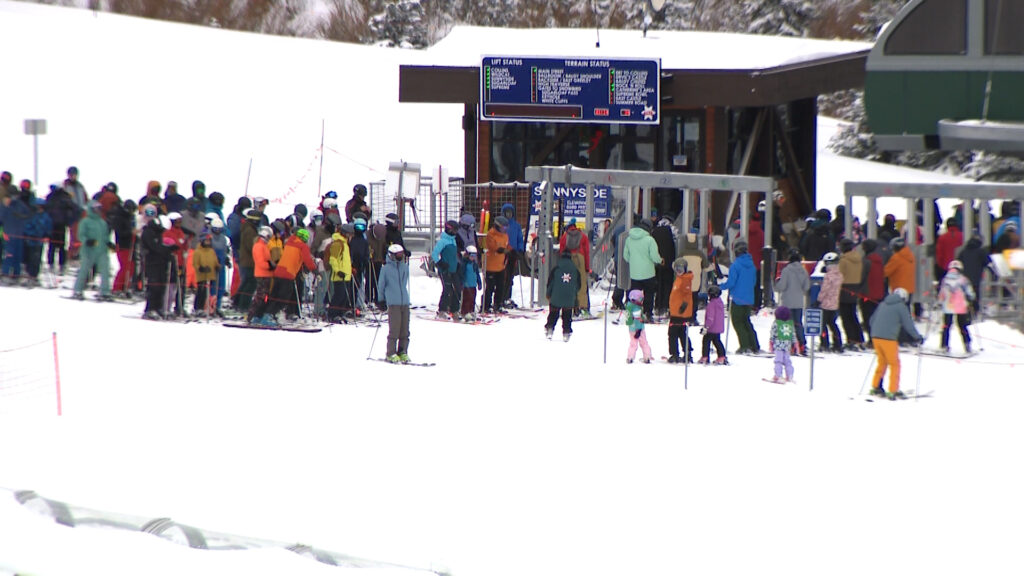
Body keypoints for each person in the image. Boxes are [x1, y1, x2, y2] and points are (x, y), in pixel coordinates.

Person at [868, 287, 924, 400]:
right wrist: (917, 337)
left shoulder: (883, 304)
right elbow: (908, 324)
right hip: (889, 339)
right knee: (894, 364)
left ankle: (875, 386)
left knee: (882, 362)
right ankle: (893, 390)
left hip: (875, 337)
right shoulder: (901, 307)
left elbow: (871, 320)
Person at [718, 240, 761, 354]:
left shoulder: (736, 265)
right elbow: (753, 281)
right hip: (749, 298)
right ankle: (754, 345)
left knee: (738, 322)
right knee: (746, 321)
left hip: (737, 298)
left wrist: (720, 286)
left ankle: (744, 345)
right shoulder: (752, 265)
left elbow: (731, 283)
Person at [378, 243, 412, 363]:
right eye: (397, 255)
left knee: (405, 330)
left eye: (401, 254)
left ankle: (402, 351)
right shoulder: (386, 269)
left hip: (404, 302)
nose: (400, 256)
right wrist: (381, 299)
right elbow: (381, 285)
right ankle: (390, 353)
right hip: (393, 303)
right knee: (394, 329)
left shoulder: (404, 267)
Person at [623, 219, 662, 322]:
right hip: (648, 272)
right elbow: (655, 257)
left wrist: (634, 262)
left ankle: (633, 314)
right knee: (649, 293)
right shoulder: (650, 240)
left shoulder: (629, 239)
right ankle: (647, 313)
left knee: (635, 294)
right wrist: (660, 260)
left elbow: (625, 256)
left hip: (634, 273)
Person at [774, 248, 810, 355]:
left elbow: (782, 286)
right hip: (799, 302)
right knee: (798, 324)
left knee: (786, 324)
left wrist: (777, 283)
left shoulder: (786, 270)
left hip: (787, 302)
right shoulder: (803, 271)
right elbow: (806, 286)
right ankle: (802, 344)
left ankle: (788, 345)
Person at [140, 213, 176, 319]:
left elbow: (160, 246)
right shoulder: (149, 232)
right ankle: (150, 309)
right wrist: (167, 250)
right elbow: (154, 247)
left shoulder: (158, 232)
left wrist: (169, 252)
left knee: (161, 286)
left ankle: (158, 307)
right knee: (154, 286)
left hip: (160, 263)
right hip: (152, 263)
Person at [884, 237, 918, 345]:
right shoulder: (910, 256)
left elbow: (885, 272)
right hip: (909, 289)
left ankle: (903, 338)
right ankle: (911, 336)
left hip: (899, 290)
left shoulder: (897, 258)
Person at [937, 260, 975, 354]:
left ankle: (944, 345)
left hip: (947, 306)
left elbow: (941, 293)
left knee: (946, 326)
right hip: (960, 306)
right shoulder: (963, 279)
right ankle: (967, 345)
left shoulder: (945, 279)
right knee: (962, 326)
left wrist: (940, 302)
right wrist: (971, 298)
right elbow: (969, 292)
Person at [545, 247, 581, 341]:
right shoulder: (575, 270)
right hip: (569, 297)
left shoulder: (556, 268)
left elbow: (550, 283)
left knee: (553, 313)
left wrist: (548, 294)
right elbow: (578, 285)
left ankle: (549, 329)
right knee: (567, 315)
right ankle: (566, 332)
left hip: (556, 297)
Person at [558, 218, 591, 316]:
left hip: (568, 261)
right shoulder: (583, 236)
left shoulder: (564, 237)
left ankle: (570, 308)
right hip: (580, 259)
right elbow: (586, 253)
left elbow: (561, 252)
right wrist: (587, 267)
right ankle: (583, 308)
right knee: (581, 285)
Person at [837, 237, 865, 350]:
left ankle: (851, 339)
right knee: (853, 315)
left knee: (845, 317)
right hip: (855, 289)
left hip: (844, 289)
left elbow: (839, 276)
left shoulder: (843, 261)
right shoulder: (859, 259)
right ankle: (859, 338)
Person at [45, 183, 78, 276]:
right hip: (54, 224)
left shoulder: (62, 197)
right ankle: (54, 264)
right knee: (54, 246)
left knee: (58, 246)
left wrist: (70, 220)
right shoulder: (54, 196)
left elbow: (75, 209)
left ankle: (59, 265)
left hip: (59, 224)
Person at [666, 257, 695, 364]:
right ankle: (681, 353)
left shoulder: (685, 279)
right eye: (677, 268)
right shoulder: (680, 278)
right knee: (680, 332)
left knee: (674, 333)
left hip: (680, 313)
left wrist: (683, 306)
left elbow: (687, 295)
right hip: (676, 312)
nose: (678, 271)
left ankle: (677, 354)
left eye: (681, 269)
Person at [245, 226, 275, 324]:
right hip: (262, 274)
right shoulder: (258, 246)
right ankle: (251, 316)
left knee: (265, 297)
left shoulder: (263, 246)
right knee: (260, 296)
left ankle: (259, 315)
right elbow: (260, 262)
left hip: (267, 274)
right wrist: (270, 265)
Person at [956, 234, 994, 312]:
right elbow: (989, 264)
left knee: (965, 295)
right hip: (975, 279)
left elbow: (957, 264)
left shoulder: (963, 251)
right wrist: (994, 273)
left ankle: (965, 312)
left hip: (964, 279)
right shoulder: (981, 252)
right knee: (975, 296)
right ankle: (975, 311)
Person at [432, 219, 460, 320]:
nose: (455, 233)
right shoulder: (443, 241)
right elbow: (434, 254)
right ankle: (442, 310)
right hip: (445, 270)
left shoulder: (453, 241)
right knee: (447, 290)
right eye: (454, 230)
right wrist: (440, 263)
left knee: (457, 289)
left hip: (453, 269)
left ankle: (454, 310)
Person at [816, 251, 844, 353]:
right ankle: (838, 343)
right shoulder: (839, 274)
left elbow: (824, 290)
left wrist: (818, 300)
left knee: (823, 325)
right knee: (833, 324)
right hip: (835, 303)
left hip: (826, 304)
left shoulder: (828, 276)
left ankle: (824, 343)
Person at [859, 239, 885, 346]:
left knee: (867, 318)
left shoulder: (866, 261)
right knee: (876, 318)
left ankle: (871, 340)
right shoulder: (879, 261)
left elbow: (861, 277)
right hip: (878, 294)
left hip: (867, 294)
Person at [500, 202, 525, 308]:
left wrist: (520, 250)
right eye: (507, 213)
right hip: (503, 253)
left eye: (510, 213)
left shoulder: (516, 225)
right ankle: (500, 297)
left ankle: (507, 296)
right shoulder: (501, 225)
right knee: (502, 276)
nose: (508, 214)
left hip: (513, 253)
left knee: (510, 275)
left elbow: (520, 238)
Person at [483, 215, 510, 314]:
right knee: (490, 287)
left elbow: (507, 246)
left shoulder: (505, 236)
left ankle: (498, 304)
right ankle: (486, 305)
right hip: (490, 265)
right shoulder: (491, 234)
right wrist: (502, 250)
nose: (505, 230)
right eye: (503, 227)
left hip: (500, 265)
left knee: (500, 287)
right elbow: (492, 247)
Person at [23, 197, 52, 287]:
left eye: (41, 206)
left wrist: (47, 235)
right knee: (29, 258)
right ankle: (28, 275)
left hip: (39, 241)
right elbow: (27, 226)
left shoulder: (46, 216)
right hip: (30, 240)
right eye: (38, 206)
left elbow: (48, 227)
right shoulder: (31, 215)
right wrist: (30, 234)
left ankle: (35, 276)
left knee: (37, 259)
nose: (40, 208)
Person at [326, 225, 354, 321]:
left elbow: (344, 260)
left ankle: (340, 314)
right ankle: (332, 314)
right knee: (339, 295)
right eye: (350, 234)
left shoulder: (345, 244)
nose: (351, 236)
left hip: (346, 275)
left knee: (345, 296)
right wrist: (338, 271)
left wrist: (350, 269)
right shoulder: (338, 244)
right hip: (339, 275)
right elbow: (333, 259)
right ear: (345, 234)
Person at [651, 216, 676, 317]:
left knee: (658, 286)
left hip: (657, 263)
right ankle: (665, 307)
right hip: (668, 263)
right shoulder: (670, 232)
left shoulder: (655, 231)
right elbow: (673, 248)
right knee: (667, 285)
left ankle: (657, 306)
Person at [698, 284, 728, 365]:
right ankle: (722, 356)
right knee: (717, 341)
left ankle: (705, 357)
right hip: (718, 327)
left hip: (711, 328)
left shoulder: (711, 304)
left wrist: (706, 327)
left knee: (706, 341)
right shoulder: (720, 302)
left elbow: (710, 317)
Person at [192, 233, 220, 317]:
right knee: (201, 292)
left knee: (208, 293)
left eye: (209, 241)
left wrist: (217, 266)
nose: (207, 243)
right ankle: (198, 308)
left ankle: (206, 307)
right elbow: (195, 263)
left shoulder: (211, 251)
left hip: (210, 275)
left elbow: (215, 261)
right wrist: (201, 268)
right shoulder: (198, 251)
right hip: (202, 276)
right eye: (206, 241)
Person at [63, 166, 88, 261]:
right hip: (71, 213)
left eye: (75, 175)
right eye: (71, 175)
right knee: (73, 235)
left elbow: (85, 198)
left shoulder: (80, 186)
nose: (73, 176)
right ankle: (72, 253)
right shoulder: (65, 186)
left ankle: (78, 252)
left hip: (80, 212)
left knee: (80, 235)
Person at [767, 306, 796, 383]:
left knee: (778, 361)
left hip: (778, 346)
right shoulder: (790, 324)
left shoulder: (776, 323)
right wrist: (795, 344)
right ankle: (790, 376)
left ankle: (778, 375)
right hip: (787, 346)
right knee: (787, 361)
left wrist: (771, 343)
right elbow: (793, 335)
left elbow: (772, 334)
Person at [624, 289, 653, 364]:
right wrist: (639, 329)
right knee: (643, 342)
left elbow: (628, 319)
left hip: (631, 329)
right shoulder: (636, 308)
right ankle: (647, 357)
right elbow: (638, 319)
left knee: (633, 343)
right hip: (638, 329)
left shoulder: (629, 306)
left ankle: (630, 357)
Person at [460, 245, 482, 321]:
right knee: (467, 299)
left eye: (475, 256)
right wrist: (462, 283)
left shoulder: (474, 264)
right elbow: (462, 274)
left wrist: (479, 283)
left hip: (473, 285)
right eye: (472, 255)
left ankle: (471, 311)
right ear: (467, 255)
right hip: (467, 285)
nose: (473, 257)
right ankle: (465, 312)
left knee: (473, 298)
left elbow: (477, 274)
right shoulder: (464, 264)